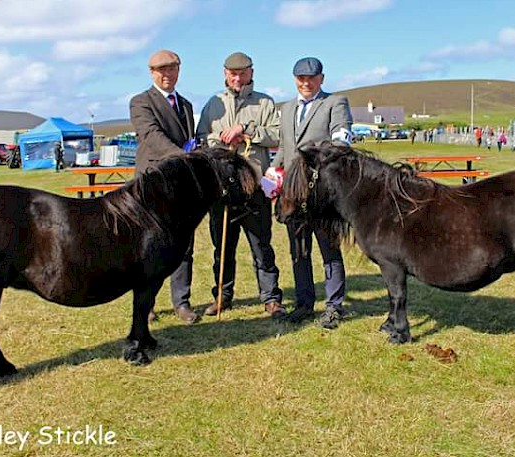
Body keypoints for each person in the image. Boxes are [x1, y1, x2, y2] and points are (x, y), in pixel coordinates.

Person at [196, 51, 285, 319]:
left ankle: (271, 298)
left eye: (243, 73)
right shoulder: (213, 104)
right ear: (225, 74)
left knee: (262, 246)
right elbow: (201, 137)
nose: (238, 77)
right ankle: (222, 296)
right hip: (222, 187)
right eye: (233, 73)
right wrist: (221, 139)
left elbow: (278, 133)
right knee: (222, 247)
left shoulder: (265, 102)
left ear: (251, 73)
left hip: (254, 186)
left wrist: (248, 131)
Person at [269, 57, 352, 329]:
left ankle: (334, 306)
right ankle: (304, 304)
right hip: (292, 195)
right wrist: (272, 170)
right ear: (294, 79)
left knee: (329, 251)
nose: (306, 83)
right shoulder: (287, 107)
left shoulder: (334, 103)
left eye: (311, 78)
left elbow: (341, 140)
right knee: (299, 251)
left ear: (321, 79)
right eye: (301, 78)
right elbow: (285, 146)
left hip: (322, 193)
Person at [129, 49, 200, 324]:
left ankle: (181, 302)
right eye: (161, 70)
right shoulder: (140, 102)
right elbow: (151, 136)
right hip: (153, 185)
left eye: (171, 68)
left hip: (182, 186)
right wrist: (184, 157)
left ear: (179, 70)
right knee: (149, 248)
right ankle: (146, 304)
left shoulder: (187, 105)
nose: (167, 74)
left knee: (184, 246)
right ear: (151, 73)